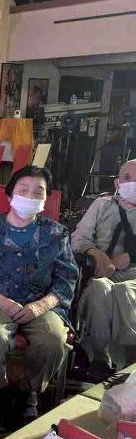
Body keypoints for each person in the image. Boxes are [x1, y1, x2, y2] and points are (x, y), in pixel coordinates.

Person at [0, 166, 78, 425]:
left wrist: (40, 306)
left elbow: (67, 278)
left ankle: (29, 392)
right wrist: (1, 301)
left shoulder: (56, 233)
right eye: (23, 190)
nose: (30, 197)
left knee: (53, 340)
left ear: (46, 199)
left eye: (38, 192)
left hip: (41, 304)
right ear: (10, 195)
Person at [72, 158, 136, 372]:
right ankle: (101, 358)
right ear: (117, 182)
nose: (133, 183)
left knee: (125, 290)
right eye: (127, 178)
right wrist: (95, 253)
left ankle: (130, 358)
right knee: (99, 288)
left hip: (133, 275)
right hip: (101, 272)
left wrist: (129, 256)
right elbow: (78, 238)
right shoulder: (102, 205)